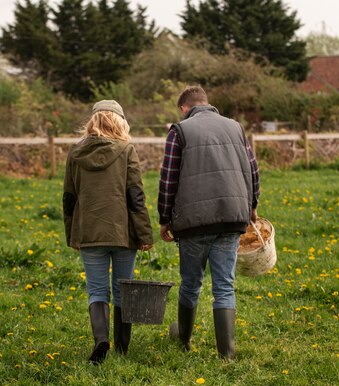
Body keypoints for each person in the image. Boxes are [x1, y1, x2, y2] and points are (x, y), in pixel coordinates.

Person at [157, 86, 260, 360]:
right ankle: (226, 353)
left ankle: (184, 339)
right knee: (224, 286)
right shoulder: (235, 127)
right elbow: (252, 169)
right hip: (231, 217)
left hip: (193, 223)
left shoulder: (179, 130)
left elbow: (168, 178)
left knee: (191, 283)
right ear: (207, 103)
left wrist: (164, 219)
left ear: (184, 108)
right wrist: (252, 206)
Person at [63, 100, 153, 364]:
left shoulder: (75, 152)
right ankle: (123, 347)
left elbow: (69, 196)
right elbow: (135, 196)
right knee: (123, 289)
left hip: (89, 232)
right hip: (123, 232)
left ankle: (101, 340)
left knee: (97, 290)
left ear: (93, 121)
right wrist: (145, 235)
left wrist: (72, 234)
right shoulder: (126, 150)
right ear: (120, 121)